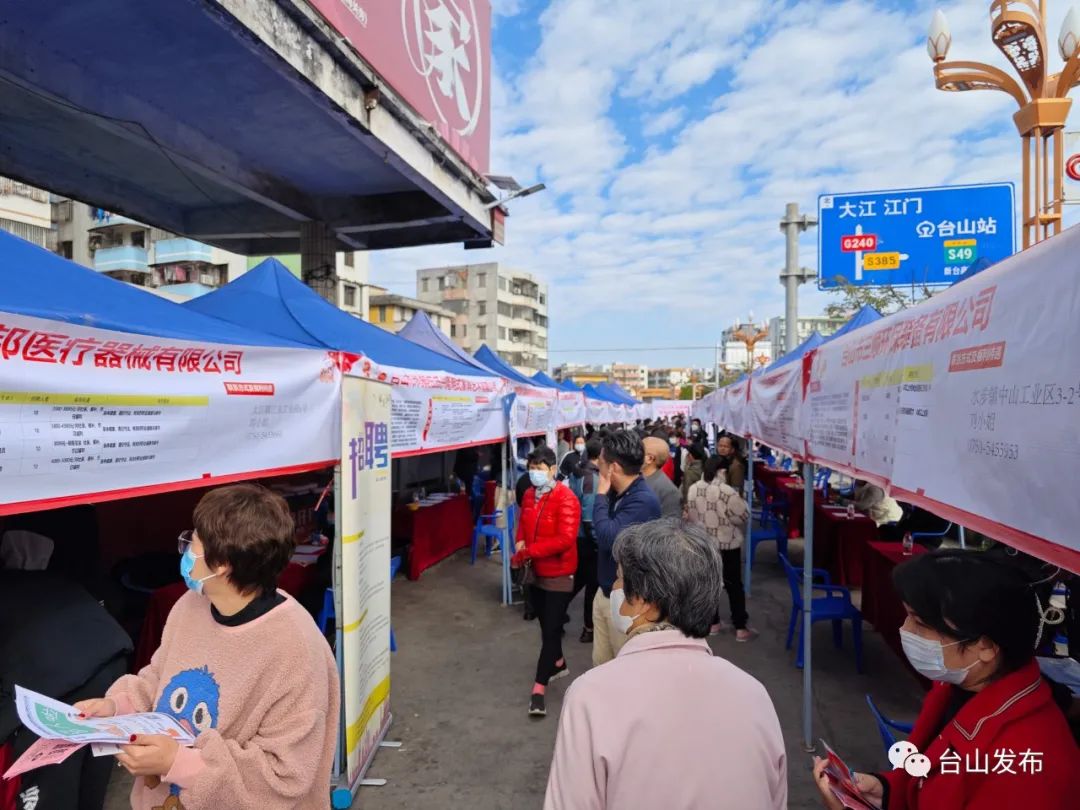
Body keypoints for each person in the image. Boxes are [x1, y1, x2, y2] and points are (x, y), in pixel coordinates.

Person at [75, 484, 340, 810]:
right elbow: (159, 677)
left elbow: (284, 777)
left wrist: (179, 763)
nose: (185, 550)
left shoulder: (295, 649)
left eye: (193, 542)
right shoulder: (190, 606)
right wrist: (117, 708)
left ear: (222, 564)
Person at [544, 519, 787, 809]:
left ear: (647, 601)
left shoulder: (591, 696)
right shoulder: (754, 695)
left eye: (620, 578)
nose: (613, 588)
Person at [812, 549, 1080, 810]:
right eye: (908, 616)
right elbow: (927, 775)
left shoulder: (1028, 768)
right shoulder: (956, 688)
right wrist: (886, 789)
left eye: (921, 624)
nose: (905, 630)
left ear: (985, 646)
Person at [511, 446, 581, 718]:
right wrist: (520, 539)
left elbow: (565, 539)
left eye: (540, 469)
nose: (535, 474)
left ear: (552, 470)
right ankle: (559, 662)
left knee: (551, 630)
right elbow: (523, 521)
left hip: (559, 572)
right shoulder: (529, 494)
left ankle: (539, 688)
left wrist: (528, 551)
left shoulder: (567, 498)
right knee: (544, 623)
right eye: (532, 469)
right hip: (534, 571)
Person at [591, 430, 662, 666]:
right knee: (600, 662)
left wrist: (600, 495)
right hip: (605, 592)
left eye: (600, 461)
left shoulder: (642, 500)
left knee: (621, 668)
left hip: (627, 601)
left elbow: (607, 538)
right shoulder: (619, 493)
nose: (596, 465)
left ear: (613, 468)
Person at [686, 456, 753, 641]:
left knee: (710, 583)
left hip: (703, 544)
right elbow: (743, 515)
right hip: (727, 544)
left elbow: (691, 515)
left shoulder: (693, 489)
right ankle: (740, 627)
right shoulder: (726, 491)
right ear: (721, 471)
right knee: (733, 585)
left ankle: (713, 623)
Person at [569, 438, 602, 643]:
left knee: (579, 579)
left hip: (579, 535)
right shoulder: (591, 478)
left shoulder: (579, 471)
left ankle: (555, 612)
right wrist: (599, 543)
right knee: (592, 585)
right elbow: (589, 517)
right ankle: (588, 628)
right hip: (588, 538)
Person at [641, 436, 682, 519]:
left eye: (640, 451)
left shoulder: (668, 491)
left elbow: (669, 526)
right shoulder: (636, 478)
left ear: (650, 458)